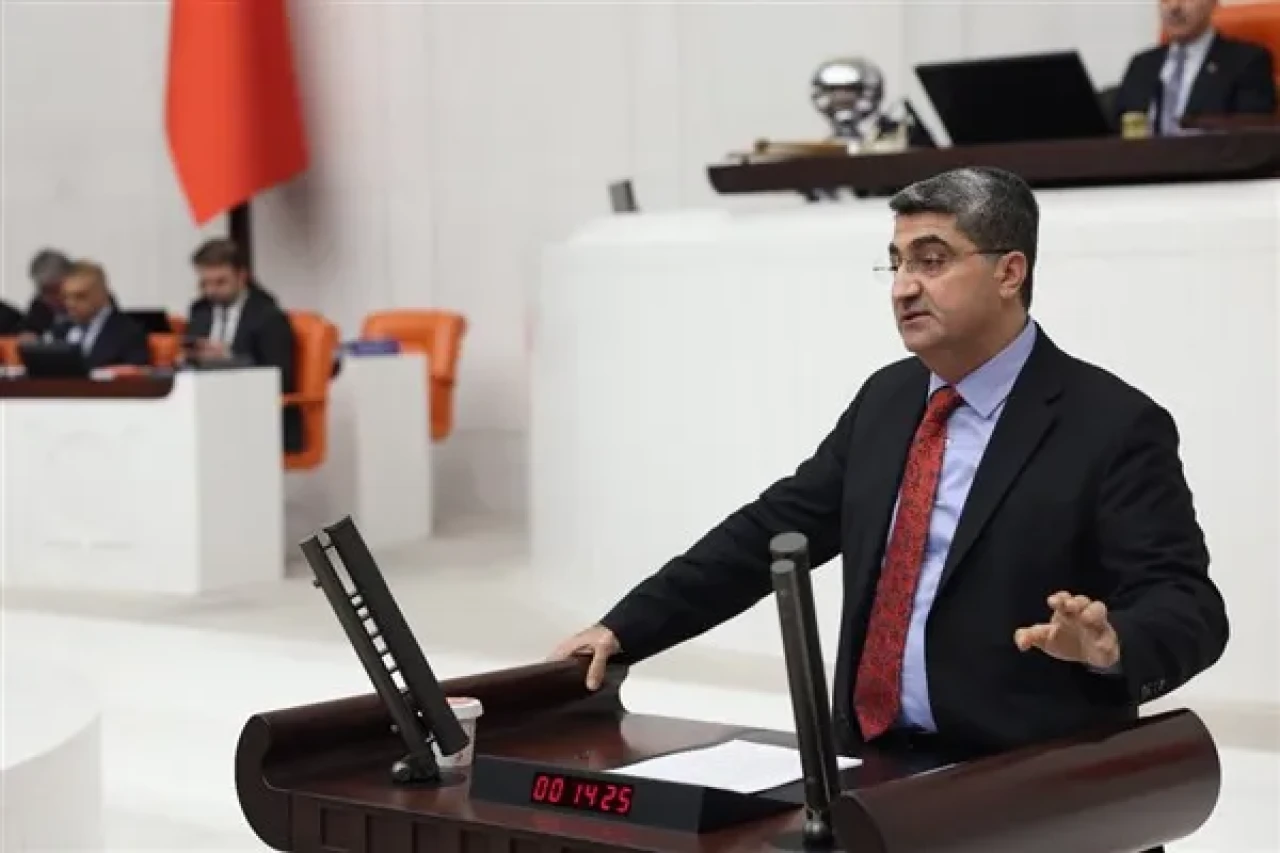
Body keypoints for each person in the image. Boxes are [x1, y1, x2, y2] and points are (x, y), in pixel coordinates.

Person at [551, 167, 1227, 771]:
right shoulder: (889, 399)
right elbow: (772, 530)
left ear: (1009, 272)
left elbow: (1189, 606)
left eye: (932, 261)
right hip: (870, 763)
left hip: (1024, 783)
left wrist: (1111, 645)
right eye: (897, 263)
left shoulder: (1110, 424)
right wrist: (626, 628)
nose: (904, 287)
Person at [184, 238, 302, 453]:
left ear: (242, 276)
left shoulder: (268, 316)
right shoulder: (200, 310)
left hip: (256, 414)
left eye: (220, 282)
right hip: (209, 406)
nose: (211, 291)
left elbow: (280, 377)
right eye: (204, 283)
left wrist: (231, 359)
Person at [1112, 0, 1277, 133]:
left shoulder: (1247, 61)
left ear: (1213, 3)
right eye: (1165, 0)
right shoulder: (1141, 65)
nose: (1174, 7)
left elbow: (1249, 138)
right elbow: (1115, 133)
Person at [53, 261, 150, 368]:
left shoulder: (128, 332)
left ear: (102, 294)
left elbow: (137, 371)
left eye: (80, 296)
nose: (70, 304)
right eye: (66, 297)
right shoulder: (60, 330)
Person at [21, 249, 73, 335]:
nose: (50, 298)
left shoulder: (89, 306)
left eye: (56, 290)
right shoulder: (39, 308)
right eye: (44, 291)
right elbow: (28, 331)